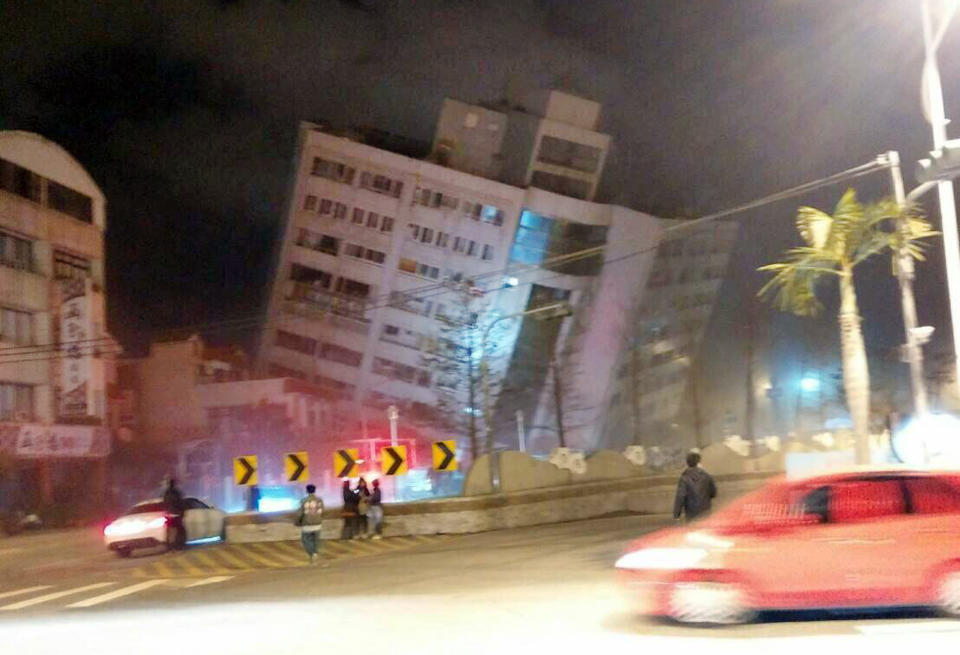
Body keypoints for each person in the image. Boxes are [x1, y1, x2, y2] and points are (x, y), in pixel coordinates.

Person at [673, 450, 717, 522]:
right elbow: (714, 493)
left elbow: (680, 496)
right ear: (699, 462)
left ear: (687, 463)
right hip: (706, 511)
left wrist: (676, 515)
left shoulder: (684, 478)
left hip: (691, 513)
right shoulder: (707, 476)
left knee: (694, 531)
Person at [296, 484, 325, 566]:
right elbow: (323, 510)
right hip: (318, 523)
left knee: (305, 540)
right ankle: (315, 553)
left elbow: (299, 513)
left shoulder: (304, 500)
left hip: (307, 523)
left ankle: (312, 554)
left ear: (307, 490)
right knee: (316, 540)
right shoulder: (319, 500)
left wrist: (297, 522)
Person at [162, 478, 187, 550]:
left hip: (169, 514)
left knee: (169, 529)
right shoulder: (176, 492)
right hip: (176, 513)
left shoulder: (166, 493)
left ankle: (169, 545)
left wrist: (166, 512)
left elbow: (165, 503)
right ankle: (178, 545)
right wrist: (182, 512)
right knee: (180, 529)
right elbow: (180, 502)